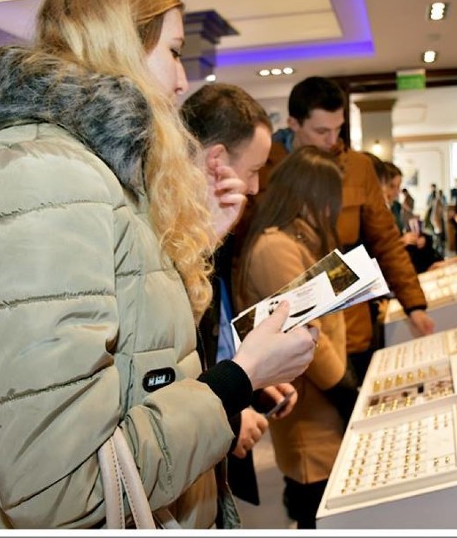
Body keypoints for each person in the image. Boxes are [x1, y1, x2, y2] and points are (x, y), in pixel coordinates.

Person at [0, 0, 316, 529]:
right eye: (173, 52)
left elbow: (138, 361)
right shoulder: (37, 177)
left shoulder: (91, 174)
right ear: (118, 41)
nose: (179, 81)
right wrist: (240, 378)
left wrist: (193, 246)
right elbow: (60, 485)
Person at [242, 76, 434, 381]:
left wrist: (414, 304)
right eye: (321, 131)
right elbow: (246, 248)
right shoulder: (264, 168)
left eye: (338, 129)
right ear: (293, 123)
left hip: (349, 322)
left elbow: (386, 240)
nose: (332, 140)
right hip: (288, 325)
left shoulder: (358, 168)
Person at [180, 82, 297, 507]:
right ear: (216, 160)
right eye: (252, 170)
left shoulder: (211, 224)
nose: (254, 186)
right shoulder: (167, 235)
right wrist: (230, 410)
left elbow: (215, 336)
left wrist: (253, 383)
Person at [236, 146, 354, 529]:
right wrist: (345, 391)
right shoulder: (275, 247)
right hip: (309, 417)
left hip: (320, 410)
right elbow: (305, 333)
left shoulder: (295, 240)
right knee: (313, 510)